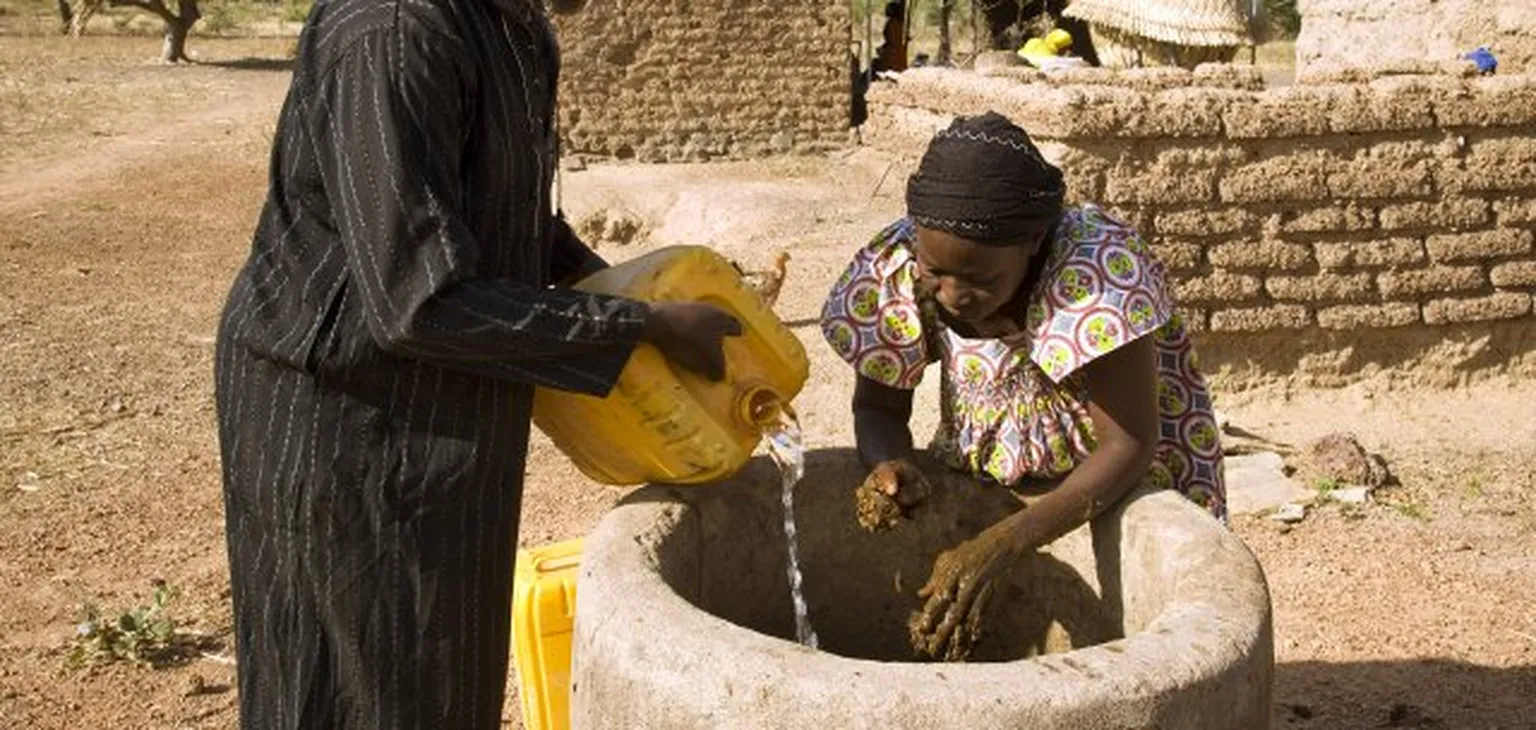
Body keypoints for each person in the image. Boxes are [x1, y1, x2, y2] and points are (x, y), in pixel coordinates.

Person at [212, 0, 739, 727]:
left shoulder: (512, 25)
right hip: (345, 416)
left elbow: (498, 203)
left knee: (437, 665)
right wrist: (638, 325)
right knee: (353, 681)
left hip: (444, 401)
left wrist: (606, 283)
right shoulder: (392, 34)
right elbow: (414, 302)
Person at [819, 112, 1225, 662]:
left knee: (1147, 650)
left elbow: (1127, 443)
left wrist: (1006, 541)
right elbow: (877, 409)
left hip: (1117, 477)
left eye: (982, 280)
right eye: (937, 272)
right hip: (996, 473)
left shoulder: (1094, 275)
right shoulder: (901, 271)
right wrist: (890, 465)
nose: (955, 296)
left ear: (1033, 242)